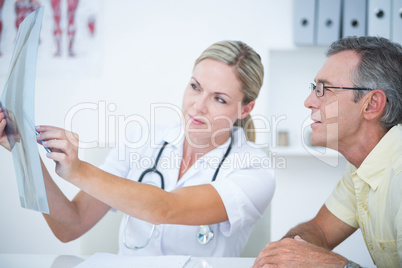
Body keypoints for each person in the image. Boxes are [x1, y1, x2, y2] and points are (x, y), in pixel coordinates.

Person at [0, 40, 275, 256]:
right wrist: (24, 154)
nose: (198, 105)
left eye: (219, 98)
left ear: (246, 108)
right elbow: (69, 225)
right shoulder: (141, 141)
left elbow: (166, 208)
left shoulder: (255, 170)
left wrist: (78, 170)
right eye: (195, 86)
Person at [253, 36, 402, 268]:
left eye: (324, 89)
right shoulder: (360, 168)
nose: (309, 101)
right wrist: (285, 254)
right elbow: (319, 230)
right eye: (314, 88)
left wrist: (339, 266)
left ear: (371, 104)